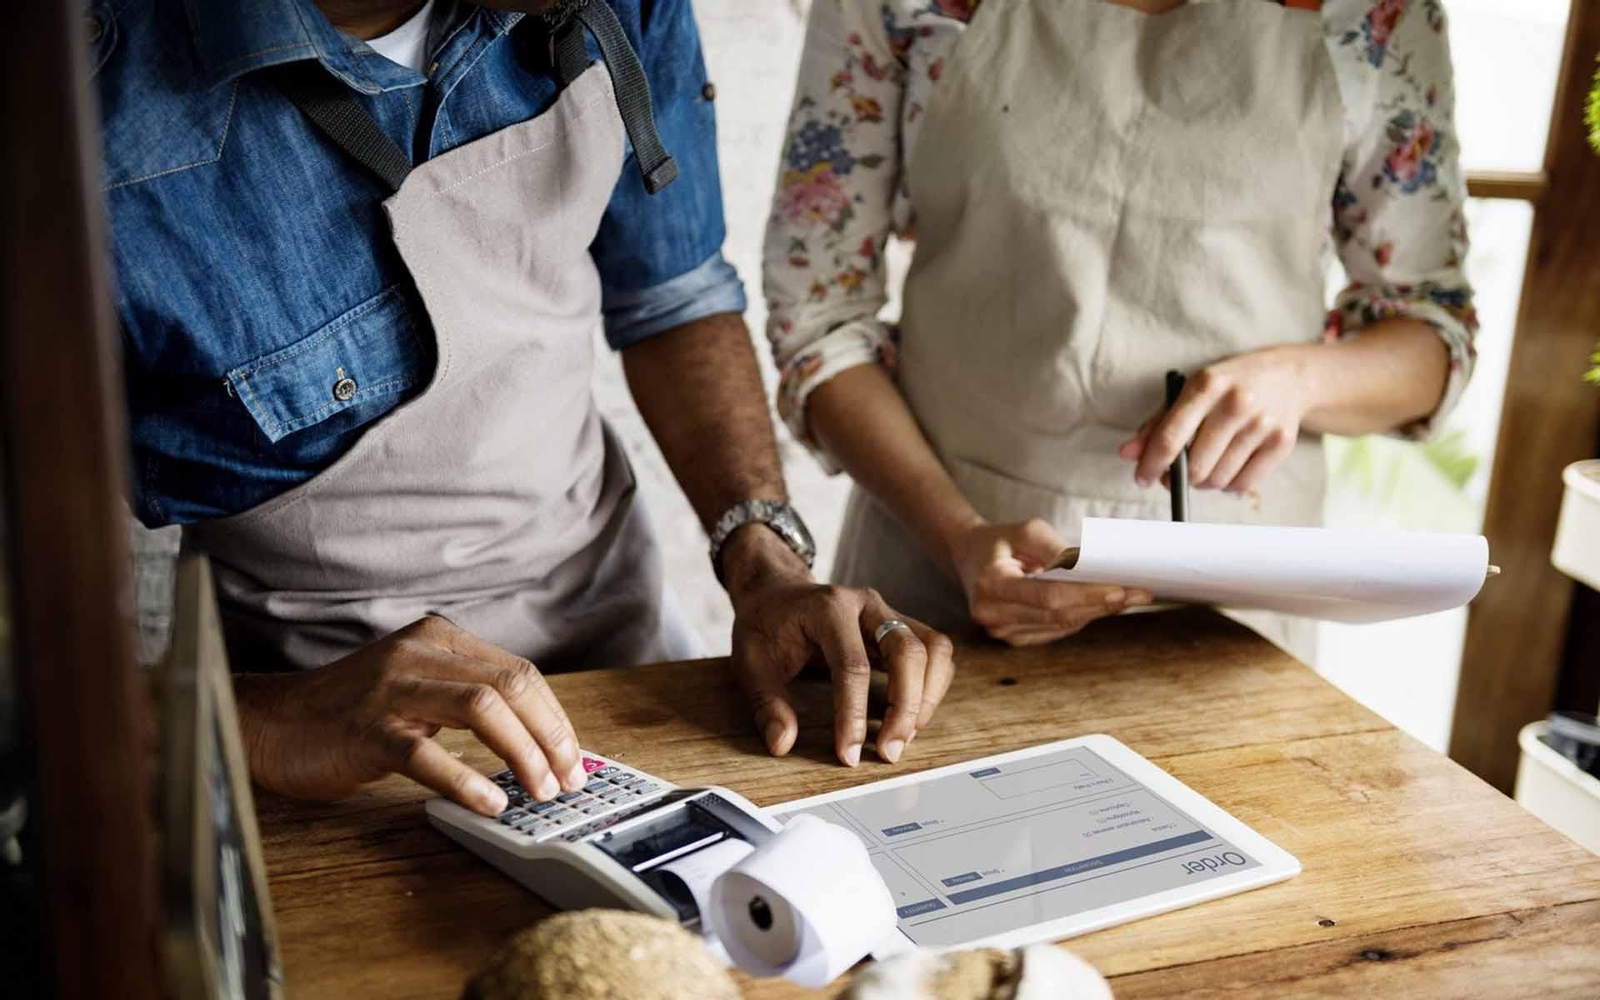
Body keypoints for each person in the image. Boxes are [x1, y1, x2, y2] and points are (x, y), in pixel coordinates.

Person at [94, 0, 955, 818]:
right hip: (326, 733)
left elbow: (673, 298)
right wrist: (253, 720)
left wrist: (763, 561)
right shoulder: (76, 104)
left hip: (620, 662)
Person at [763, 0, 1477, 658]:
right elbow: (819, 319)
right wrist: (958, 536)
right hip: (934, 590)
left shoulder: (1374, 13)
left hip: (1228, 624)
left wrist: (1300, 380)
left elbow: (1430, 333)